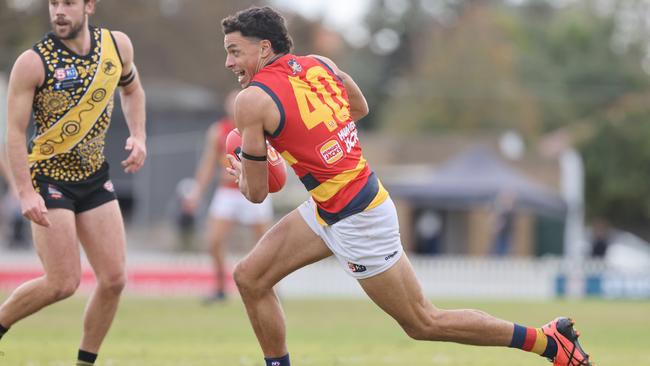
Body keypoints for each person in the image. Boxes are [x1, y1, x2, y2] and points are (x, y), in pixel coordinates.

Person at [220, 6, 592, 366]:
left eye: (235, 52)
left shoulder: (251, 101)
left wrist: (250, 169)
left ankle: (548, 341)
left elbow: (256, 195)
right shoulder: (321, 64)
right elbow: (359, 107)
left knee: (423, 322)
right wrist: (310, 141)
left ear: (265, 48)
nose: (229, 63)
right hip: (330, 207)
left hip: (358, 219)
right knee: (250, 278)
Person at [0, 1, 146, 365]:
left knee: (114, 280)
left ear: (88, 6)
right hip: (49, 179)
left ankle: (85, 362)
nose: (59, 11)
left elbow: (133, 90)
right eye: (53, 3)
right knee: (62, 283)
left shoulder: (118, 46)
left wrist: (139, 136)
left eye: (68, 3)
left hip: (95, 177)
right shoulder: (33, 62)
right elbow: (14, 135)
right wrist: (24, 192)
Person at [183, 90, 273, 303]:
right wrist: (196, 192)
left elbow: (273, 161)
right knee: (213, 241)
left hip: (254, 191)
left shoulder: (260, 129)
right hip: (227, 191)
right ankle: (221, 289)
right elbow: (207, 164)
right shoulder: (218, 131)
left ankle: (272, 287)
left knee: (266, 244)